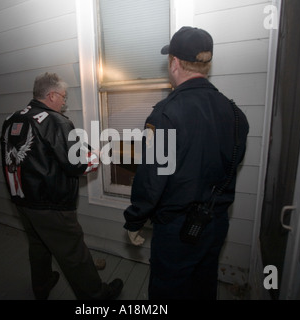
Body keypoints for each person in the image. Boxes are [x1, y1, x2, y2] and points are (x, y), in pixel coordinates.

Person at [123, 27, 249, 300]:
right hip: (216, 222)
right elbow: (232, 164)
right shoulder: (235, 113)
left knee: (168, 290)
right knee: (204, 285)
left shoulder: (166, 114)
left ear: (175, 62)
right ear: (207, 64)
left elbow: (152, 178)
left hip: (177, 229)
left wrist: (135, 219)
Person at [0, 72, 123, 300]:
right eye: (64, 97)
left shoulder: (12, 119)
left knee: (38, 245)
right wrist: (95, 156)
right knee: (73, 253)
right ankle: (97, 297)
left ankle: (42, 285)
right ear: (52, 95)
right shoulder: (55, 121)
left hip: (22, 200)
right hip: (51, 205)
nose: (65, 102)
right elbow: (76, 165)